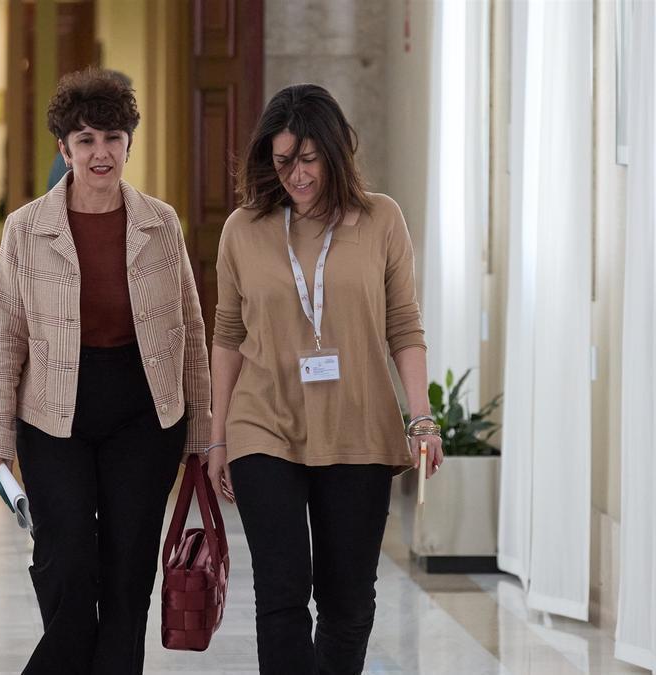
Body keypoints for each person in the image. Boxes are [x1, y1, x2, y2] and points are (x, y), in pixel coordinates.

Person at [0, 68, 212, 675]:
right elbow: (6, 336)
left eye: (112, 138)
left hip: (143, 412)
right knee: (67, 562)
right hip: (56, 415)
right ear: (65, 149)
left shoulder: (162, 224)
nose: (100, 153)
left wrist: (203, 431)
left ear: (130, 142)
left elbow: (189, 328)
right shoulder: (26, 228)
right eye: (85, 140)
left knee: (129, 572)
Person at [205, 83, 444, 674]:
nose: (296, 176)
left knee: (347, 601)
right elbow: (229, 333)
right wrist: (217, 437)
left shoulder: (381, 218)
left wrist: (422, 418)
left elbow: (404, 327)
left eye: (308, 160)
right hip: (264, 425)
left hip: (358, 427)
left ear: (336, 153)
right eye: (283, 161)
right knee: (281, 596)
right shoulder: (243, 227)